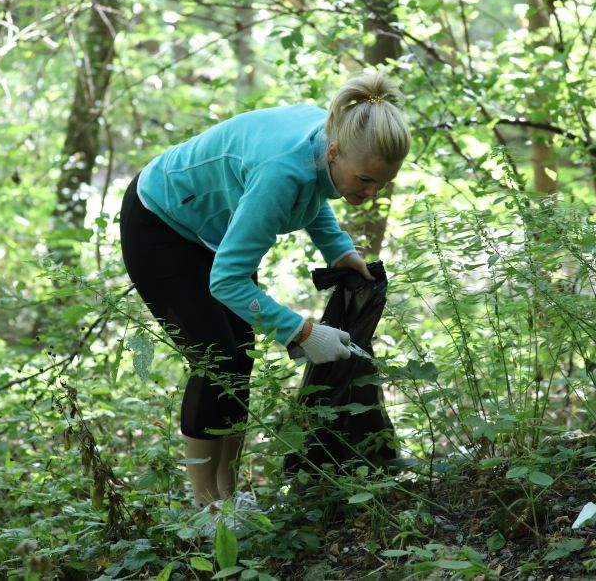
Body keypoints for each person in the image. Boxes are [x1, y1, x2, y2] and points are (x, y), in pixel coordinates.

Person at [119, 71, 410, 510]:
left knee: (242, 355)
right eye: (365, 180)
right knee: (216, 357)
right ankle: (205, 509)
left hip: (213, 230)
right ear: (334, 152)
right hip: (159, 221)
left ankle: (231, 496)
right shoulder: (282, 170)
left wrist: (339, 250)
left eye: (381, 184)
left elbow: (314, 193)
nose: (370, 193)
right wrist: (304, 332)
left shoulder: (335, 137)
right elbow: (227, 280)